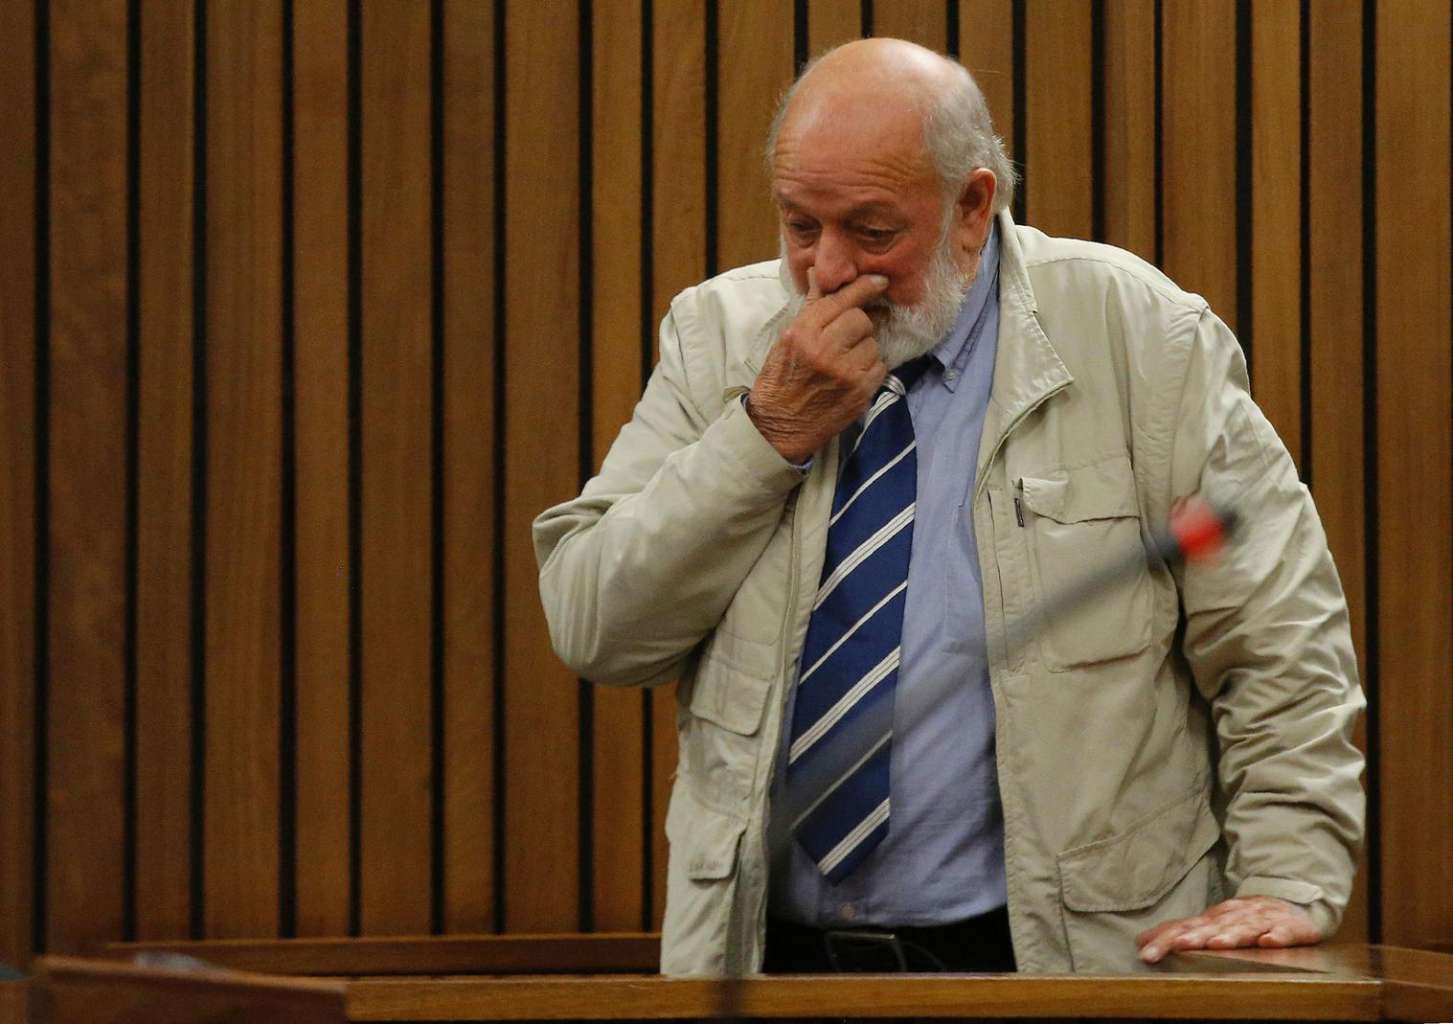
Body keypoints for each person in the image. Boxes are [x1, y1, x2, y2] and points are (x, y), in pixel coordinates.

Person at [533, 38, 1364, 976]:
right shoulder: (715, 337)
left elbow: (1278, 641)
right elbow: (599, 629)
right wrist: (763, 435)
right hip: (765, 962)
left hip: (1063, 962)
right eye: (800, 225)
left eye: (871, 231)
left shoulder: (1142, 338)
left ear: (972, 207)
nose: (826, 270)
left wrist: (1286, 879)